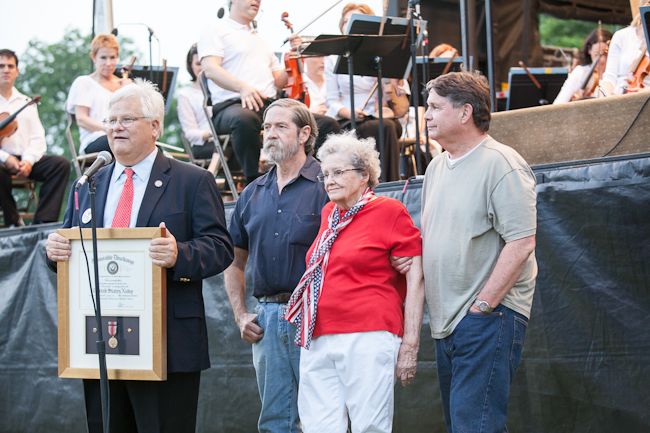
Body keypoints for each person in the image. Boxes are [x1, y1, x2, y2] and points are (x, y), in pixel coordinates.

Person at [45, 78, 234, 432]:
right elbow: (69, 250)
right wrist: (54, 252)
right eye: (111, 120)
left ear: (155, 126)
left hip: (166, 344)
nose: (116, 127)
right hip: (99, 340)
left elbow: (220, 248)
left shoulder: (191, 181)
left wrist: (180, 253)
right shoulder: (87, 184)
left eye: (127, 119)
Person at [420, 71, 537, 432]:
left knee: (476, 427)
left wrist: (482, 308)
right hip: (448, 324)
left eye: (435, 107)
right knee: (463, 426)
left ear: (465, 112)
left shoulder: (502, 162)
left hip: (487, 318)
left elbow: (522, 243)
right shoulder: (436, 166)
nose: (426, 115)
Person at [285, 130, 425, 433]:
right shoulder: (329, 214)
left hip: (368, 332)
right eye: (325, 174)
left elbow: (416, 277)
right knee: (317, 427)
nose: (329, 180)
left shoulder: (389, 210)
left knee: (369, 427)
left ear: (364, 175)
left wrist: (411, 344)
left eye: (338, 172)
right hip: (317, 334)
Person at [224, 98, 327, 433]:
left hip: (318, 317)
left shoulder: (331, 184)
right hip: (267, 319)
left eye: (281, 126)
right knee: (274, 422)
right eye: (267, 127)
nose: (270, 134)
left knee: (323, 418)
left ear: (304, 133)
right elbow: (233, 261)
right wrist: (241, 314)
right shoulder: (251, 193)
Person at [198, 0, 339, 185]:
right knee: (245, 120)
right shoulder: (216, 29)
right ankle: (253, 183)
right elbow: (210, 69)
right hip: (231, 106)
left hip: (267, 106)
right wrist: (242, 87)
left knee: (326, 124)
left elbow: (280, 80)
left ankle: (314, 178)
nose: (257, 1)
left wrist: (295, 54)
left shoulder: (260, 39)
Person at [323, 3, 403, 181]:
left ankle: (388, 186)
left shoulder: (379, 57)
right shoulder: (333, 58)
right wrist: (350, 112)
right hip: (348, 119)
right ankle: (383, 184)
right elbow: (332, 101)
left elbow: (393, 97)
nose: (348, 25)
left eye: (354, 21)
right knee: (384, 127)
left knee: (387, 125)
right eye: (345, 21)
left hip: (377, 115)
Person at [0, 49, 70, 227]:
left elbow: (38, 139)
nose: (5, 70)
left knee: (60, 164)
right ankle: (12, 221)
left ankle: (42, 223)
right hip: (2, 161)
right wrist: (5, 158)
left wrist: (28, 161)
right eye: (1, 66)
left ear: (16, 71)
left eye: (10, 66)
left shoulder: (26, 103)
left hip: (24, 159)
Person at [66, 33, 131, 155]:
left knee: (151, 147)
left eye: (112, 57)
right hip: (95, 139)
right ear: (93, 57)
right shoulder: (84, 82)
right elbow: (81, 119)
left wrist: (131, 92)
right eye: (103, 58)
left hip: (123, 136)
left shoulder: (124, 85)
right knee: (127, 143)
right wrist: (111, 130)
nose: (108, 63)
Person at [602, 1, 650, 96]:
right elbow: (610, 76)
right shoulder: (622, 36)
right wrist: (608, 97)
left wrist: (645, 92)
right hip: (620, 97)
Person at [177, 43, 215, 159]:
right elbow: (190, 133)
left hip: (227, 141)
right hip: (205, 144)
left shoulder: (223, 90)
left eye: (206, 64)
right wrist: (213, 133)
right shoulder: (185, 94)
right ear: (190, 66)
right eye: (198, 64)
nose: (203, 68)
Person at [554, 29, 612, 104]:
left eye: (606, 54)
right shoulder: (580, 72)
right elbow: (558, 104)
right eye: (597, 53)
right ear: (589, 49)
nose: (602, 59)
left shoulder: (618, 74)